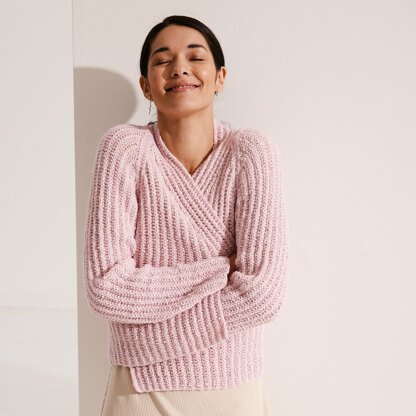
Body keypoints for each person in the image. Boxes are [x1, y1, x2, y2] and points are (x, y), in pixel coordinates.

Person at [83, 14, 289, 416]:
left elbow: (262, 296)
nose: (179, 68)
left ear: (220, 77)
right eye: (162, 60)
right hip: (138, 394)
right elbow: (106, 287)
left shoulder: (251, 153)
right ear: (146, 85)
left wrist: (143, 345)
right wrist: (220, 269)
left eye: (195, 57)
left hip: (232, 386)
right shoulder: (124, 149)